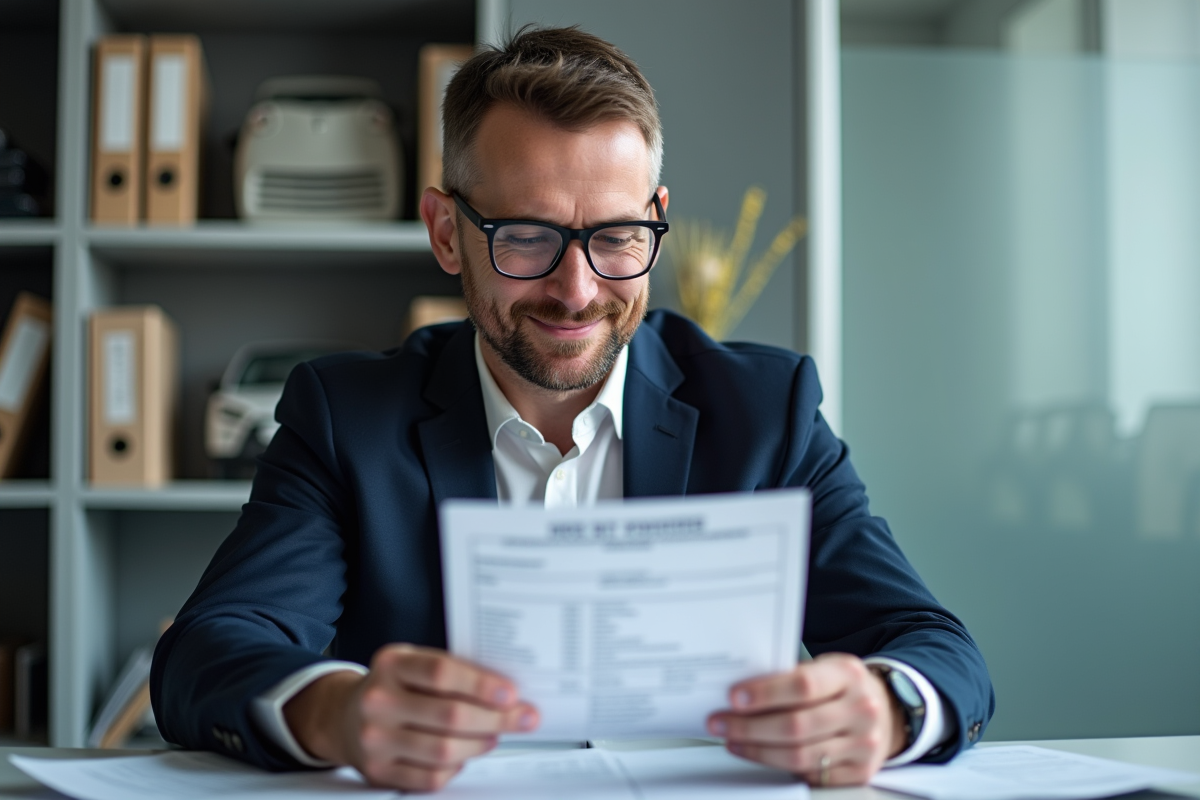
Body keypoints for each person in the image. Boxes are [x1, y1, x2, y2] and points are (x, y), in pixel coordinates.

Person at [150, 25, 994, 793]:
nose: (578, 290)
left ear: (655, 223)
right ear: (447, 233)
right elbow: (208, 649)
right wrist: (336, 712)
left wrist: (886, 708)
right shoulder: (347, 418)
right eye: (526, 236)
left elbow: (933, 645)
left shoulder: (765, 412)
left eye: (618, 237)